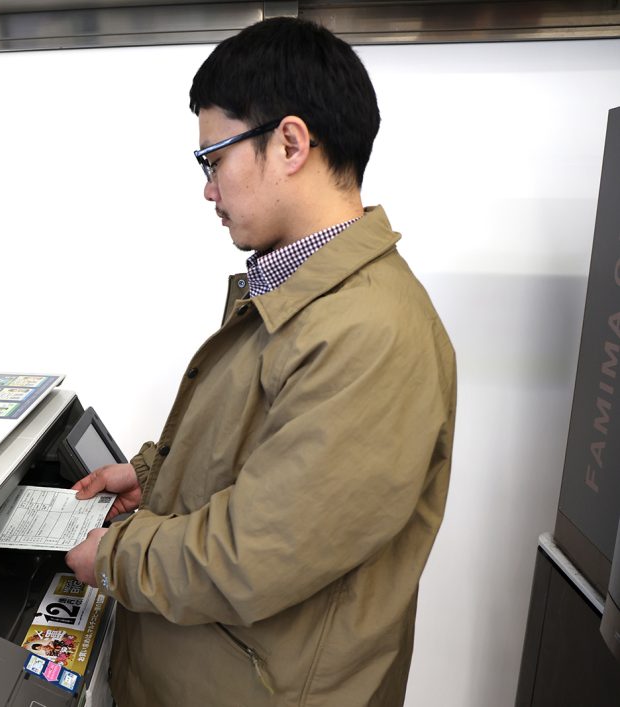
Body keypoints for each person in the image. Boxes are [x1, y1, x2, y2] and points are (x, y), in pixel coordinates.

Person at [65, 17, 457, 707]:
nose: (208, 190)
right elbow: (258, 460)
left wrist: (115, 556)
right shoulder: (299, 295)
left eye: (212, 160)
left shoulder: (370, 331)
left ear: (290, 144)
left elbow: (254, 553)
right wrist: (152, 476)